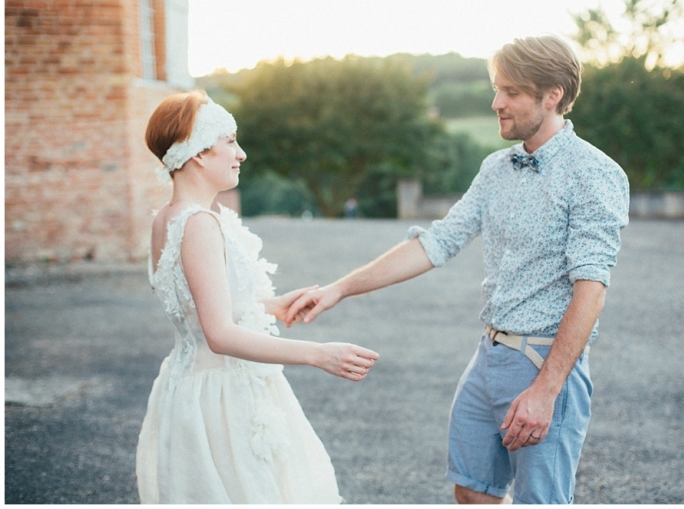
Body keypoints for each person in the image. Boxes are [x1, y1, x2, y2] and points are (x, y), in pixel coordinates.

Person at [285, 35, 629, 504]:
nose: (496, 103)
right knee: (472, 492)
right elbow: (436, 242)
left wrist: (547, 390)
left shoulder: (594, 172)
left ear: (551, 96)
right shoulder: (495, 168)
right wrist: (339, 289)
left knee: (541, 502)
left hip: (542, 362)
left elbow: (591, 291)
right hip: (487, 355)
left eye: (510, 91)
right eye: (495, 88)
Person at [135, 90, 379, 504]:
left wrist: (273, 305)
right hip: (223, 397)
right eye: (230, 141)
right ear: (197, 152)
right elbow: (219, 334)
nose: (241, 154)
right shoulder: (198, 224)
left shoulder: (167, 218)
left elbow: (201, 308)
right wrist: (318, 354)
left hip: (187, 389)